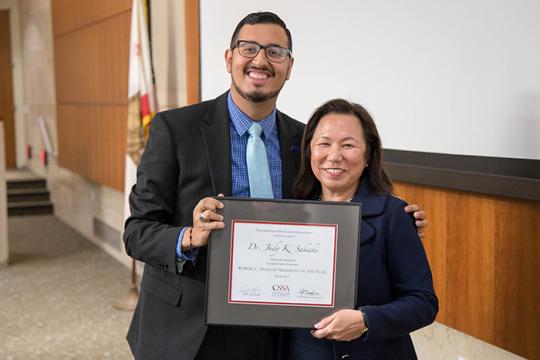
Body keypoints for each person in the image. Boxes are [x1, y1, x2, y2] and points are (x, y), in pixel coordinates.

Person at [123, 12, 427, 360]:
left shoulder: (305, 141)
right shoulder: (175, 129)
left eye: (275, 52)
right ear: (229, 58)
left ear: (289, 65)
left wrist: (398, 218)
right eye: (248, 48)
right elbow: (137, 231)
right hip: (188, 330)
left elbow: (330, 206)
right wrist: (189, 236)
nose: (261, 61)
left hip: (275, 329)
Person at [284, 99, 438, 359]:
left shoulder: (393, 215)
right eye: (324, 143)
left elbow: (423, 303)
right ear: (309, 150)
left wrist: (365, 320)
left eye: (348, 145)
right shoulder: (290, 216)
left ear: (367, 155)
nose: (334, 155)